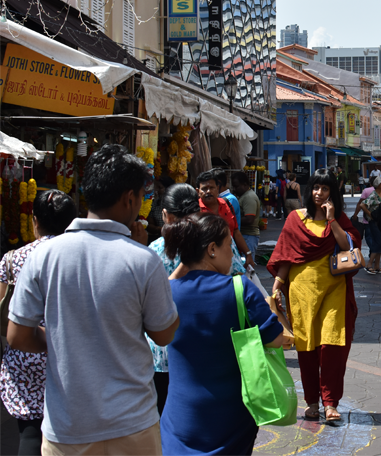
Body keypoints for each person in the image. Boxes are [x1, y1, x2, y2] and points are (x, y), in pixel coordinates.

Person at [7, 144, 179, 454]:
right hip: (132, 424)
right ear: (130, 199)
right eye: (142, 197)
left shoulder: (43, 255)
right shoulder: (142, 260)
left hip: (66, 427)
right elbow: (164, 334)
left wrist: (60, 337)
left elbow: (17, 335)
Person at [160, 213, 288, 454]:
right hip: (232, 418)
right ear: (212, 249)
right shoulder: (241, 290)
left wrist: (185, 262)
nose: (233, 254)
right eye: (229, 245)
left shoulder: (168, 293)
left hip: (181, 415)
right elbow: (276, 338)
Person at [268, 168, 361, 423]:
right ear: (310, 190)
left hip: (334, 290)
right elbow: (286, 255)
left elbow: (348, 247)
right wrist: (277, 285)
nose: (319, 194)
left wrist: (332, 221)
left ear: (333, 192)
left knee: (332, 345)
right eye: (316, 188)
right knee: (307, 346)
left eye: (325, 189)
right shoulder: (296, 219)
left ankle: (330, 403)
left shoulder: (339, 218)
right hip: (301, 292)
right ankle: (312, 402)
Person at [0, 190, 76, 456]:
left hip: (24, 352)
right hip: (68, 354)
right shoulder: (79, 257)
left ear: (34, 220)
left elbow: (2, 309)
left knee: (29, 433)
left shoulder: (12, 258)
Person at [146, 183, 201, 416]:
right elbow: (237, 281)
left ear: (165, 215)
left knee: (164, 420)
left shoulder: (152, 251)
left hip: (161, 355)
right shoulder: (214, 245)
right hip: (204, 350)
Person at [197, 170, 256, 269]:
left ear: (218, 189)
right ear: (197, 191)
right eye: (204, 189)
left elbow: (236, 231)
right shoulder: (195, 210)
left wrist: (248, 253)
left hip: (231, 260)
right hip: (206, 264)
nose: (208, 191)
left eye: (211, 188)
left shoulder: (227, 205)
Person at [360, 172, 381, 275]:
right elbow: (363, 205)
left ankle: (377, 266)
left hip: (380, 222)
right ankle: (369, 265)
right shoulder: (373, 195)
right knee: (377, 243)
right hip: (374, 222)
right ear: (378, 184)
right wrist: (370, 214)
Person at [231, 170, 262, 259]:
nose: (235, 189)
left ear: (245, 184)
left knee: (247, 265)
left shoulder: (249, 197)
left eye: (236, 186)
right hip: (245, 236)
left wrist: (232, 219)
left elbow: (249, 219)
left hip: (248, 236)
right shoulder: (243, 196)